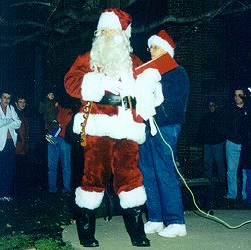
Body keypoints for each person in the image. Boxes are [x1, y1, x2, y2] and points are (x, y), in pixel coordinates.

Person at [64, 8, 156, 248]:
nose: (106, 34)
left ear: (123, 33)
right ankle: (86, 233)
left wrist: (150, 90)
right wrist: (97, 83)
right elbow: (70, 83)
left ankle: (137, 234)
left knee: (130, 177)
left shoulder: (135, 62)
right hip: (98, 126)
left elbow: (148, 91)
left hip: (127, 128)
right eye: (103, 30)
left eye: (112, 30)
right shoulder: (88, 58)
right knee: (94, 177)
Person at [138, 30, 189, 238]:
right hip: (146, 127)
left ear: (166, 51)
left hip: (165, 127)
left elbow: (170, 98)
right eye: (150, 47)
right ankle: (156, 218)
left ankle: (176, 221)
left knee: (165, 171)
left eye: (156, 47)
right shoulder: (148, 73)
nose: (151, 51)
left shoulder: (177, 73)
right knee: (148, 172)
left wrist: (152, 85)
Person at [0, 90, 21, 201]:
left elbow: (18, 124)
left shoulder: (11, 109)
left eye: (8, 97)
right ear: (0, 98)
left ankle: (6, 194)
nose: (6, 100)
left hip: (10, 143)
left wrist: (8, 120)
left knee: (9, 169)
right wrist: (11, 120)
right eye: (4, 97)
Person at [218, 86, 248, 203]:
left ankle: (245, 195)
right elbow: (221, 125)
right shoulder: (229, 109)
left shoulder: (248, 109)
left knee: (245, 170)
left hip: (245, 144)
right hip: (232, 143)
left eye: (239, 95)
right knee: (231, 170)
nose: (237, 98)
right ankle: (232, 195)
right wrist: (229, 135)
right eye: (235, 95)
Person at [196, 97, 226, 185]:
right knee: (207, 162)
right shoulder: (205, 117)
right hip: (207, 144)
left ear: (216, 106)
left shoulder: (220, 116)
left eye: (213, 105)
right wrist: (200, 141)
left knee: (219, 163)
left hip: (217, 144)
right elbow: (201, 130)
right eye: (210, 105)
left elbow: (222, 130)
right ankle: (207, 181)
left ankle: (222, 182)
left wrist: (221, 140)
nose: (211, 107)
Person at [45, 102, 73, 194]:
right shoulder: (53, 109)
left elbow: (66, 124)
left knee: (66, 167)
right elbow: (47, 123)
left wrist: (58, 124)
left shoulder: (70, 110)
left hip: (64, 141)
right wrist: (49, 126)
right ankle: (52, 189)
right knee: (51, 167)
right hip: (52, 139)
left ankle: (66, 189)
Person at [14, 95, 30, 195]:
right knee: (16, 169)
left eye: (24, 102)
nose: (23, 104)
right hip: (17, 146)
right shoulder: (15, 114)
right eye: (20, 101)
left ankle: (20, 191)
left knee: (21, 169)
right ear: (16, 103)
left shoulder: (23, 114)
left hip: (24, 147)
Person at [238, 93, 251, 205]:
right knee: (247, 173)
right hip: (248, 146)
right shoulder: (245, 115)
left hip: (247, 145)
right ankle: (248, 197)